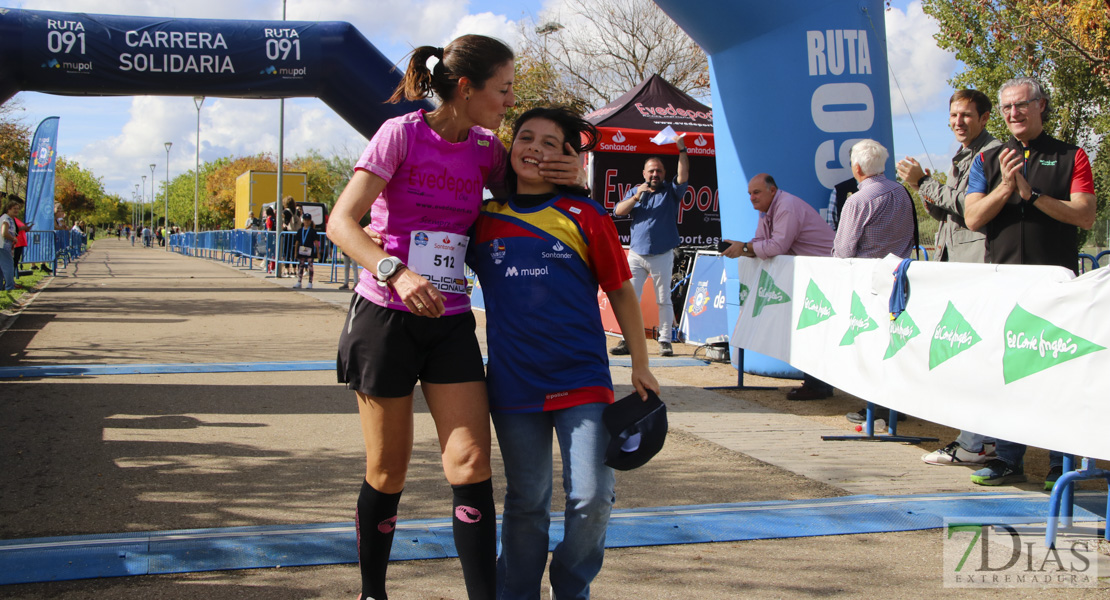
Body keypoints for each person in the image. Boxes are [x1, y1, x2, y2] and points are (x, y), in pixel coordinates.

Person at [326, 35, 583, 600]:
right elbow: (342, 223)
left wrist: (571, 173)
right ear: (466, 89)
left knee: (468, 461)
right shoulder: (401, 134)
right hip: (385, 315)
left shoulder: (488, 150)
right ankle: (373, 592)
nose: (510, 102)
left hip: (450, 319)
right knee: (388, 470)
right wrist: (395, 269)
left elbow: (527, 201)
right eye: (504, 89)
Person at [469, 106, 660, 600]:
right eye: (525, 138)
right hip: (513, 385)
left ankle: (571, 588)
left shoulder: (587, 214)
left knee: (594, 499)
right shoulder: (484, 218)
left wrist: (641, 363)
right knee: (527, 501)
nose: (533, 148)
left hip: (583, 379)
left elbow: (621, 291)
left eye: (549, 143)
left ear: (569, 156)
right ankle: (518, 592)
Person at [963, 77, 1096, 488]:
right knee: (1006, 374)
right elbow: (972, 218)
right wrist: (1006, 188)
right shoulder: (988, 160)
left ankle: (1060, 463)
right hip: (1003, 286)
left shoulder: (1072, 156)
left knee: (1057, 376)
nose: (1013, 114)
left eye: (1021, 105)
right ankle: (1007, 458)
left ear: (1041, 106)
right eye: (1006, 108)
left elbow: (1085, 215)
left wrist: (1033, 195)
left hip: (1056, 287)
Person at [897, 89, 1002, 467]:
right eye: (953, 116)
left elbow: (968, 209)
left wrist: (923, 182)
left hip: (977, 268)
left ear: (986, 117)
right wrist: (925, 190)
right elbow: (950, 214)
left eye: (967, 116)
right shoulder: (965, 155)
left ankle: (978, 442)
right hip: (959, 266)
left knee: (976, 356)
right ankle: (976, 439)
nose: (958, 122)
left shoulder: (991, 155)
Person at [722, 173, 837, 400]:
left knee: (814, 325)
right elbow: (759, 242)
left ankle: (819, 385)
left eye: (756, 192)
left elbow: (777, 246)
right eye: (749, 194)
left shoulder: (786, 206)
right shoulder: (767, 211)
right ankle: (816, 384)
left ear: (772, 191)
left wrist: (744, 249)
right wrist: (742, 247)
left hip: (826, 273)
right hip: (811, 274)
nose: (752, 198)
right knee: (808, 326)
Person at [833, 139, 916, 424]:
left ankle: (877, 409)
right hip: (901, 279)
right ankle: (894, 406)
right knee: (893, 345)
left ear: (856, 168)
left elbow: (843, 250)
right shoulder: (902, 193)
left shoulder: (857, 200)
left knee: (871, 345)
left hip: (868, 280)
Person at [610, 135, 691, 357]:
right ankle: (628, 340)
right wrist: (636, 196)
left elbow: (683, 176)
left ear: (664, 175)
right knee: (630, 299)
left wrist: (681, 149)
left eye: (659, 171)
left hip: (662, 254)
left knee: (663, 299)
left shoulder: (671, 192)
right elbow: (618, 212)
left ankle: (665, 340)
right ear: (644, 174)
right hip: (636, 254)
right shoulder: (636, 192)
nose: (655, 174)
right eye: (651, 171)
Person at [292, 213, 318, 289]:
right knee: (301, 266)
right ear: (303, 221)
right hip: (301, 250)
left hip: (309, 251)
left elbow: (316, 242)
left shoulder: (312, 231)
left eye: (308, 220)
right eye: (305, 220)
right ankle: (299, 281)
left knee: (310, 266)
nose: (306, 222)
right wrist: (295, 252)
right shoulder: (300, 231)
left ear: (310, 221)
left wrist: (318, 252)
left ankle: (310, 282)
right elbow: (296, 242)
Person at [1, 197, 21, 291]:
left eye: (18, 209)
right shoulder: (6, 219)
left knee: (1, 268)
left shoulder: (9, 218)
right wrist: (13, 238)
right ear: (9, 209)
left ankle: (1, 287)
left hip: (4, 246)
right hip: (3, 246)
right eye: (14, 209)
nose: (16, 210)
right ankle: (9, 287)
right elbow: (4, 233)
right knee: (9, 266)